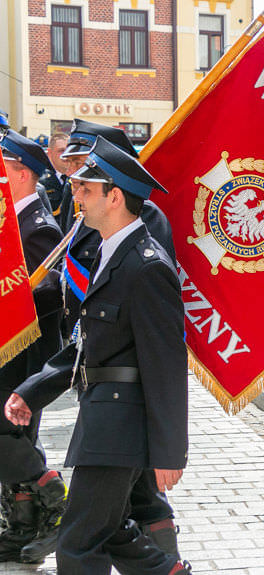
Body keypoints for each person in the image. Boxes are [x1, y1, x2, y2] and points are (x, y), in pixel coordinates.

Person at [4, 136, 190, 574]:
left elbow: (166, 367)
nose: (76, 195)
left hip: (121, 425)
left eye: (86, 189)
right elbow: (87, 342)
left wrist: (169, 451)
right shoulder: (112, 253)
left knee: (78, 543)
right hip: (103, 418)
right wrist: (33, 390)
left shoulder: (147, 266)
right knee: (110, 532)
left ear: (115, 196)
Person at [0, 130, 66, 564]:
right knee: (10, 433)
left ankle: (50, 490)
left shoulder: (38, 226)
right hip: (8, 348)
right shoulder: (12, 217)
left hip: (24, 355)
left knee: (11, 433)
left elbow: (44, 293)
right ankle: (22, 528)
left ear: (21, 174)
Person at [39, 133, 69, 217]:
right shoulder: (40, 180)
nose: (66, 155)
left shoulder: (76, 178)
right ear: (49, 153)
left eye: (69, 150)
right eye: (61, 151)